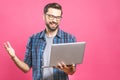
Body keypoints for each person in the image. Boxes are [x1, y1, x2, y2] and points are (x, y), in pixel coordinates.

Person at [4, 3, 76, 80]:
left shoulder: (69, 39)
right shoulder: (33, 39)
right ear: (43, 16)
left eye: (58, 17)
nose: (55, 20)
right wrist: (14, 57)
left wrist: (66, 69)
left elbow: (72, 71)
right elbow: (26, 68)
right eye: (51, 16)